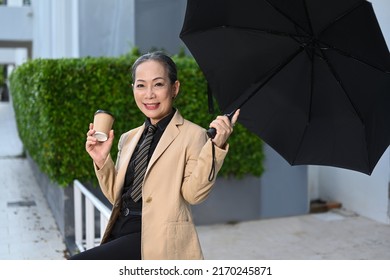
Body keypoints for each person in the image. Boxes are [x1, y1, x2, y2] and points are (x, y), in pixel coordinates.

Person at [69, 51, 240, 260]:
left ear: (174, 88)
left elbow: (194, 195)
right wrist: (101, 159)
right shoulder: (128, 138)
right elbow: (117, 197)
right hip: (118, 231)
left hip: (156, 239)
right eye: (141, 85)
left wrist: (216, 146)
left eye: (158, 84)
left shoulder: (194, 135)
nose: (149, 94)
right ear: (133, 89)